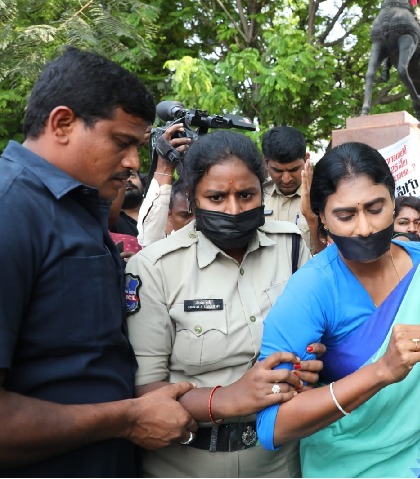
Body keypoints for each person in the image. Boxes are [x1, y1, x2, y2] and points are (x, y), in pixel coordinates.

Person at [0, 47, 198, 477]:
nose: (132, 165)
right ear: (63, 123)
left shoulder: (77, 208)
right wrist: (128, 417)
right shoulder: (10, 211)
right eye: (122, 143)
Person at [256, 142, 420, 477]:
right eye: (345, 216)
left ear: (393, 201)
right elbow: (273, 426)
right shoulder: (312, 288)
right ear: (323, 220)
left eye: (375, 209)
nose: (364, 228)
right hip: (344, 465)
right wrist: (380, 372)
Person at [125, 130, 321, 477]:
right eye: (216, 198)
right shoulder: (155, 268)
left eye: (246, 195)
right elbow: (148, 391)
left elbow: (317, 339)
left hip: (278, 459)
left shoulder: (290, 248)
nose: (233, 209)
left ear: (263, 192)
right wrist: (229, 398)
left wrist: (312, 362)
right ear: (194, 198)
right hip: (187, 462)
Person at [261, 126, 322, 254]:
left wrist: (311, 216)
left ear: (306, 159)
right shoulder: (256, 196)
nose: (286, 179)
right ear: (266, 163)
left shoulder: (323, 194)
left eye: (294, 169)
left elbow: (329, 254)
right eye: (278, 171)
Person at [137, 122, 192, 247]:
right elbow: (149, 238)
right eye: (185, 215)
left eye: (199, 216)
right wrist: (165, 167)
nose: (193, 222)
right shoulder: (163, 250)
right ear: (169, 217)